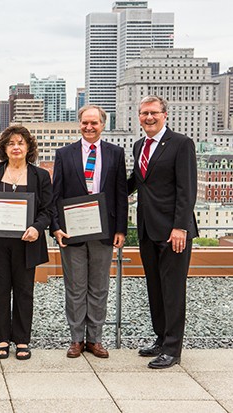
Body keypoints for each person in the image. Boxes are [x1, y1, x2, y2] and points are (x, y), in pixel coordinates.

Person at [50, 105, 128, 359]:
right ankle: (76, 339)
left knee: (99, 286)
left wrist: (121, 229)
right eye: (85, 123)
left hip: (104, 231)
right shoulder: (64, 154)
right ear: (79, 124)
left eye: (94, 123)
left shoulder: (116, 153)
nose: (89, 127)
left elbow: (120, 193)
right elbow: (56, 194)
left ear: (103, 125)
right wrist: (56, 228)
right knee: (75, 286)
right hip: (72, 232)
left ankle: (95, 339)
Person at [128, 95, 198, 369]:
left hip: (173, 231)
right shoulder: (138, 146)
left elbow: (187, 189)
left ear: (164, 114)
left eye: (154, 113)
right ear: (139, 116)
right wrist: (99, 196)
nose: (149, 118)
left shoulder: (181, 144)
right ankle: (160, 339)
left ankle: (173, 348)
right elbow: (135, 182)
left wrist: (180, 226)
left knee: (172, 290)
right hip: (147, 228)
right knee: (155, 288)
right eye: (144, 113)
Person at [0, 125, 52, 360]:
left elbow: (47, 210)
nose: (16, 147)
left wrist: (37, 228)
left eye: (20, 143)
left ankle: (22, 339)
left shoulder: (40, 175)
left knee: (24, 291)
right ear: (4, 148)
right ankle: (3, 338)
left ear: (28, 147)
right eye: (11, 143)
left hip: (27, 242)